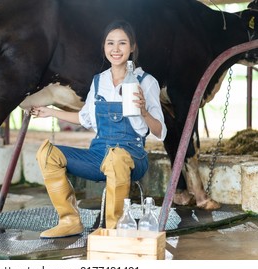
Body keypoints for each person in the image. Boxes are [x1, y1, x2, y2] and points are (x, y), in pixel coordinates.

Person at [31, 20, 167, 239]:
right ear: (104, 47)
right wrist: (51, 111)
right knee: (47, 154)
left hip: (132, 155)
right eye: (110, 43)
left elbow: (160, 131)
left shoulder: (146, 81)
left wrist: (143, 111)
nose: (115, 49)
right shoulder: (99, 81)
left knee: (116, 158)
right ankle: (69, 220)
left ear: (132, 47)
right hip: (100, 153)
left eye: (122, 43)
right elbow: (86, 118)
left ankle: (113, 230)